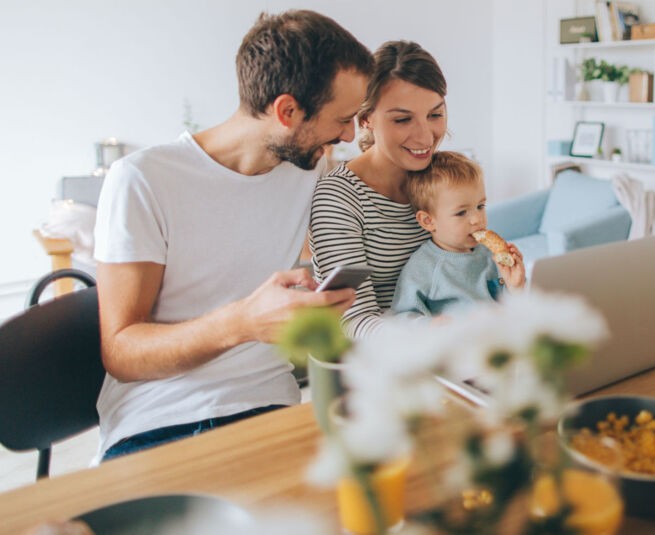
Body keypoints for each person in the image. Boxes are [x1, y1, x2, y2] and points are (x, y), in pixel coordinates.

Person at [92, 10, 374, 461]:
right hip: (160, 422)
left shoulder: (310, 169)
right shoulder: (143, 179)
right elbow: (121, 352)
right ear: (287, 111)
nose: (349, 134)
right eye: (342, 119)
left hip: (271, 411)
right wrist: (243, 323)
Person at [310, 40, 447, 337]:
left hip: (453, 350)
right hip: (383, 362)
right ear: (366, 119)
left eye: (435, 115)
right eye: (402, 119)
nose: (426, 137)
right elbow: (354, 321)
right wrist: (434, 333)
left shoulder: (444, 178)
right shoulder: (339, 197)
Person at [390, 151, 525, 318]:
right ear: (428, 221)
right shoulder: (423, 267)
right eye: (461, 213)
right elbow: (402, 318)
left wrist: (515, 287)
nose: (477, 219)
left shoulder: (489, 254)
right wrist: (433, 326)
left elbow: (511, 308)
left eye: (480, 206)